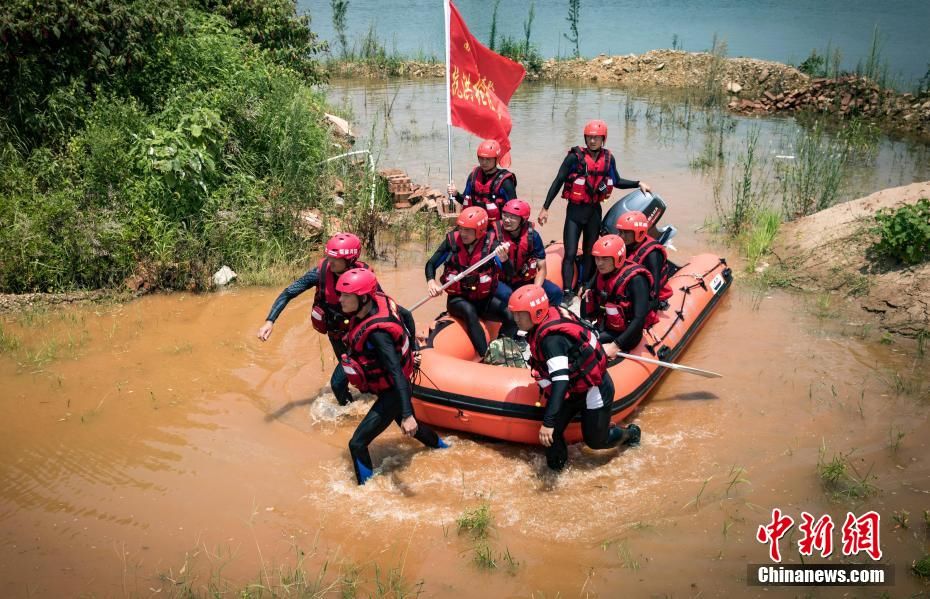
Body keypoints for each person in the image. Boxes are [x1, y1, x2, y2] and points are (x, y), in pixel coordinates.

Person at [508, 284, 640, 471]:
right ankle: (557, 475)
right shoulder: (549, 315)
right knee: (550, 438)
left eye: (520, 314)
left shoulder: (551, 340)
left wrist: (548, 422)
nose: (515, 319)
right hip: (572, 389)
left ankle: (630, 434)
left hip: (594, 387)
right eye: (514, 314)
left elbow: (560, 381)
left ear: (536, 313)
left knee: (595, 442)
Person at [336, 268, 449, 485]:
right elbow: (406, 315)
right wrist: (414, 348)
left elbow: (396, 372)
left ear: (362, 298)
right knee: (414, 431)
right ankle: (444, 448)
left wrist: (406, 414)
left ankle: (365, 491)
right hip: (397, 388)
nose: (340, 299)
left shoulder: (379, 335)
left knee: (357, 444)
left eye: (346, 295)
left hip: (393, 391)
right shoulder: (379, 300)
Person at [536, 120, 652, 305]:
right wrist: (545, 207)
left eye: (596, 138)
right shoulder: (574, 158)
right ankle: (567, 292)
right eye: (589, 137)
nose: (592, 141)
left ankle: (584, 285)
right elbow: (558, 181)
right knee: (571, 252)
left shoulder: (608, 159)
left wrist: (638, 183)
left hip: (594, 212)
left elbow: (617, 180)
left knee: (591, 251)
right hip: (574, 212)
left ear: (602, 139)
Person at [257, 233, 370, 405]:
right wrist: (270, 321)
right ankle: (353, 409)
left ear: (350, 260)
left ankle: (362, 409)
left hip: (357, 335)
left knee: (339, 383)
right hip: (336, 335)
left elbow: (384, 307)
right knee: (350, 376)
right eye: (329, 257)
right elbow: (289, 292)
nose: (330, 261)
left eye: (335, 259)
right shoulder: (320, 273)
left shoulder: (363, 277)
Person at [425, 206, 517, 358]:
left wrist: (504, 259)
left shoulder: (493, 246)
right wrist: (431, 282)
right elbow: (431, 264)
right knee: (469, 311)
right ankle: (485, 356)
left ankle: (500, 351)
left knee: (511, 317)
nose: (462, 233)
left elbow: (510, 273)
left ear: (480, 230)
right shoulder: (452, 241)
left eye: (468, 230)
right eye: (461, 229)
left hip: (484, 299)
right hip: (458, 300)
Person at [583, 234, 657, 358]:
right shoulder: (602, 272)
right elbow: (592, 298)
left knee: (587, 350)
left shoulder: (637, 280)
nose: (599, 263)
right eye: (597, 258)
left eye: (605, 258)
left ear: (618, 258)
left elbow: (639, 319)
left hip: (628, 334)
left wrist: (615, 345)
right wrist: (586, 322)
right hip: (607, 326)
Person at [492, 199, 563, 307]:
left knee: (556, 293)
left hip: (524, 279)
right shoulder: (493, 235)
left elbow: (542, 267)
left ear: (522, 220)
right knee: (510, 296)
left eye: (512, 217)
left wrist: (536, 290)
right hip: (501, 281)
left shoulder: (533, 236)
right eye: (505, 215)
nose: (506, 220)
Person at [447, 139, 517, 222]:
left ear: (497, 159)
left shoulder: (505, 183)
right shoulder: (473, 176)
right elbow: (465, 200)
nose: (484, 162)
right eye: (481, 158)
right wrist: (456, 194)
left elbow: (514, 211)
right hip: (473, 223)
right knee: (452, 235)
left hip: (495, 225)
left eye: (488, 159)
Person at [615, 211, 673, 305]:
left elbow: (654, 292)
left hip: (644, 294)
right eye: (620, 232)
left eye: (626, 232)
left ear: (639, 233)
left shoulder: (653, 255)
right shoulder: (624, 244)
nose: (621, 236)